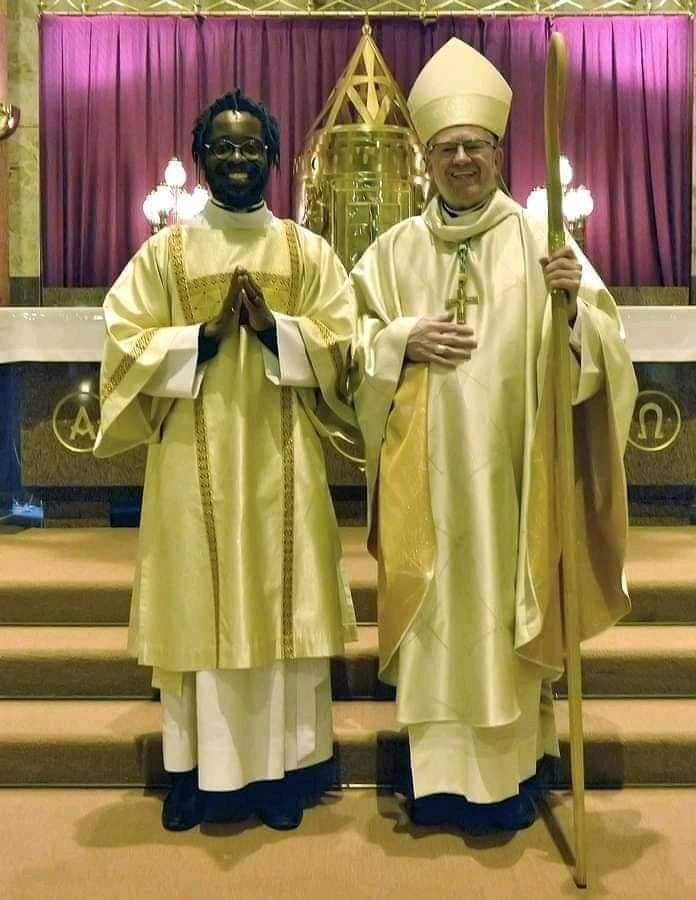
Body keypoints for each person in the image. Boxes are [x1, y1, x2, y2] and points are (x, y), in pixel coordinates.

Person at [350, 38, 638, 832]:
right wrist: (399, 338)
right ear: (426, 159)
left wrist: (575, 306)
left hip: (516, 480)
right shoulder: (392, 252)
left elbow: (603, 358)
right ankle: (438, 782)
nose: (462, 159)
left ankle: (508, 780)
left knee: (508, 616)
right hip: (426, 485)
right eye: (446, 148)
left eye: (475, 145)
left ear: (501, 151)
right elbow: (348, 350)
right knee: (439, 620)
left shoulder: (541, 241)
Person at [94, 90, 358, 832]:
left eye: (251, 147)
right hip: (190, 463)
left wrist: (278, 331)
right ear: (199, 155)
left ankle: (282, 773)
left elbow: (346, 346)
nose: (237, 159)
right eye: (222, 147)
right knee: (197, 610)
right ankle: (193, 773)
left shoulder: (307, 252)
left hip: (285, 462)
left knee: (279, 611)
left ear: (274, 156)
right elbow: (122, 338)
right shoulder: (167, 253)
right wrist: (197, 342)